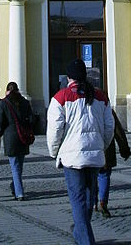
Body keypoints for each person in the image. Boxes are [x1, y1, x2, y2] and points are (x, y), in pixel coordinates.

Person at [47, 59, 114, 245]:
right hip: (94, 156)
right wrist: (102, 146)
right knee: (89, 198)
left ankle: (85, 239)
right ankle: (79, 231)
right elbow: (110, 127)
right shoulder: (100, 96)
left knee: (78, 199)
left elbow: (55, 129)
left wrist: (54, 151)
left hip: (72, 156)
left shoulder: (61, 97)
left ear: (69, 77)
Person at [0, 81, 33, 201]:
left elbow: (0, 121)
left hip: (10, 136)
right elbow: (32, 119)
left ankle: (19, 192)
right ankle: (14, 186)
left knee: (14, 165)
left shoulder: (4, 102)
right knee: (19, 164)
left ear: (8, 90)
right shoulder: (25, 102)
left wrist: (1, 131)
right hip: (23, 136)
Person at [96, 107, 131, 217]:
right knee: (104, 175)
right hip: (106, 149)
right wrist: (124, 149)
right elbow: (118, 130)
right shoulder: (107, 109)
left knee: (90, 177)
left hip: (87, 151)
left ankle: (92, 202)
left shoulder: (82, 107)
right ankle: (102, 202)